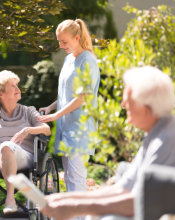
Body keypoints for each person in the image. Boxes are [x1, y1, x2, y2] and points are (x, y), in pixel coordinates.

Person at [40, 66, 175, 220]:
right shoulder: (158, 133)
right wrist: (64, 199)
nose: (123, 105)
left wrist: (76, 207)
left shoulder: (168, 139)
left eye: (128, 100)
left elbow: (137, 202)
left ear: (146, 107)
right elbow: (122, 188)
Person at [0, 70, 51, 214]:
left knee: (6, 146)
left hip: (23, 157)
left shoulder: (28, 111)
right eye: (13, 86)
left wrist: (27, 130)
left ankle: (10, 199)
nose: (18, 89)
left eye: (17, 85)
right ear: (0, 93)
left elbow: (46, 129)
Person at [38, 19, 100, 194]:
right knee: (69, 177)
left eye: (64, 42)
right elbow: (66, 95)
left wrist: (55, 116)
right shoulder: (68, 60)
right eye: (59, 41)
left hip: (80, 129)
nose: (61, 45)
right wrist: (50, 108)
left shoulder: (87, 61)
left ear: (77, 37)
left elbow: (83, 97)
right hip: (66, 127)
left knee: (76, 179)